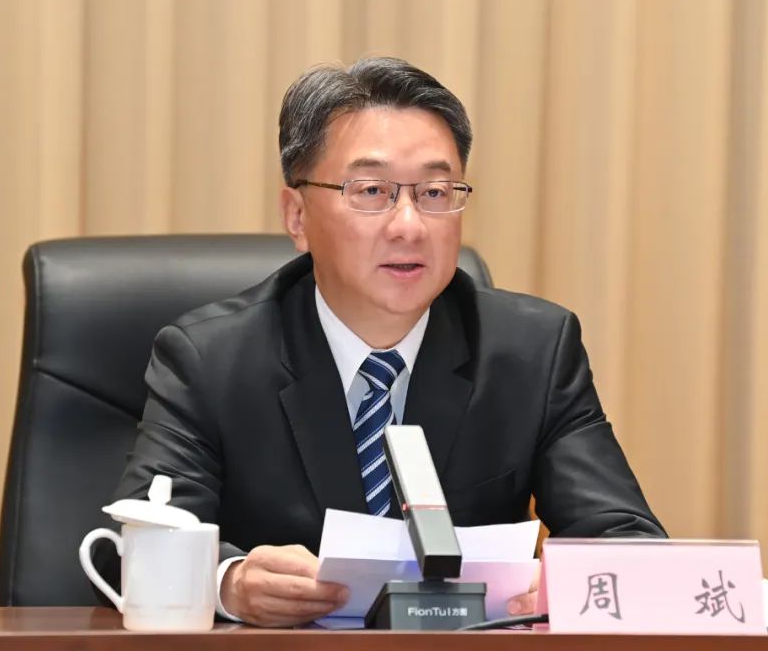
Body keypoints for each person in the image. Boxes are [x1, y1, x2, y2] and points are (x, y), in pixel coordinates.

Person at [100, 56, 665, 627]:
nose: (409, 225)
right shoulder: (210, 359)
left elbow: (631, 544)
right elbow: (133, 546)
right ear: (297, 215)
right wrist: (230, 582)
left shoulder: (533, 352)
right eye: (371, 190)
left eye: (435, 192)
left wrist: (569, 582)